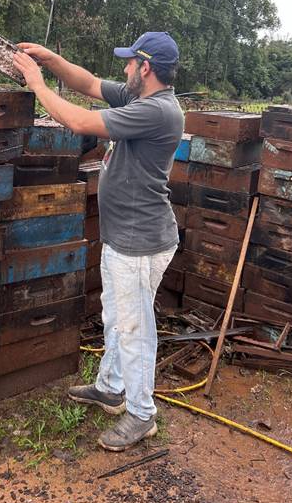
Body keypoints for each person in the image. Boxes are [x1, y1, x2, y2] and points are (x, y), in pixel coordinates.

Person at [13, 31, 184, 452]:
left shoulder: (158, 111)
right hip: (124, 236)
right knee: (116, 315)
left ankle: (142, 415)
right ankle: (111, 386)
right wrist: (51, 59)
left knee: (134, 327)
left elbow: (78, 121)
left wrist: (37, 84)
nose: (123, 68)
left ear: (146, 68)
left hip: (140, 241)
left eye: (129, 62)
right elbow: (88, 84)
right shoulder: (137, 99)